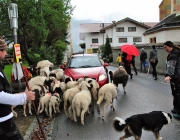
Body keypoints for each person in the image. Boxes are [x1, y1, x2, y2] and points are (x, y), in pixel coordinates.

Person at [0, 37, 35, 140]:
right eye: (4, 50)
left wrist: (17, 95)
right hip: (3, 120)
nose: (6, 53)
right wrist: (23, 97)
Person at [163, 41, 180, 120]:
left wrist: (168, 75)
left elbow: (171, 66)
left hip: (176, 77)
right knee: (175, 93)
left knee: (178, 94)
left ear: (170, 46)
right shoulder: (174, 53)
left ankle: (179, 112)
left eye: (165, 47)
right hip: (175, 77)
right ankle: (176, 108)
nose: (164, 49)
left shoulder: (173, 54)